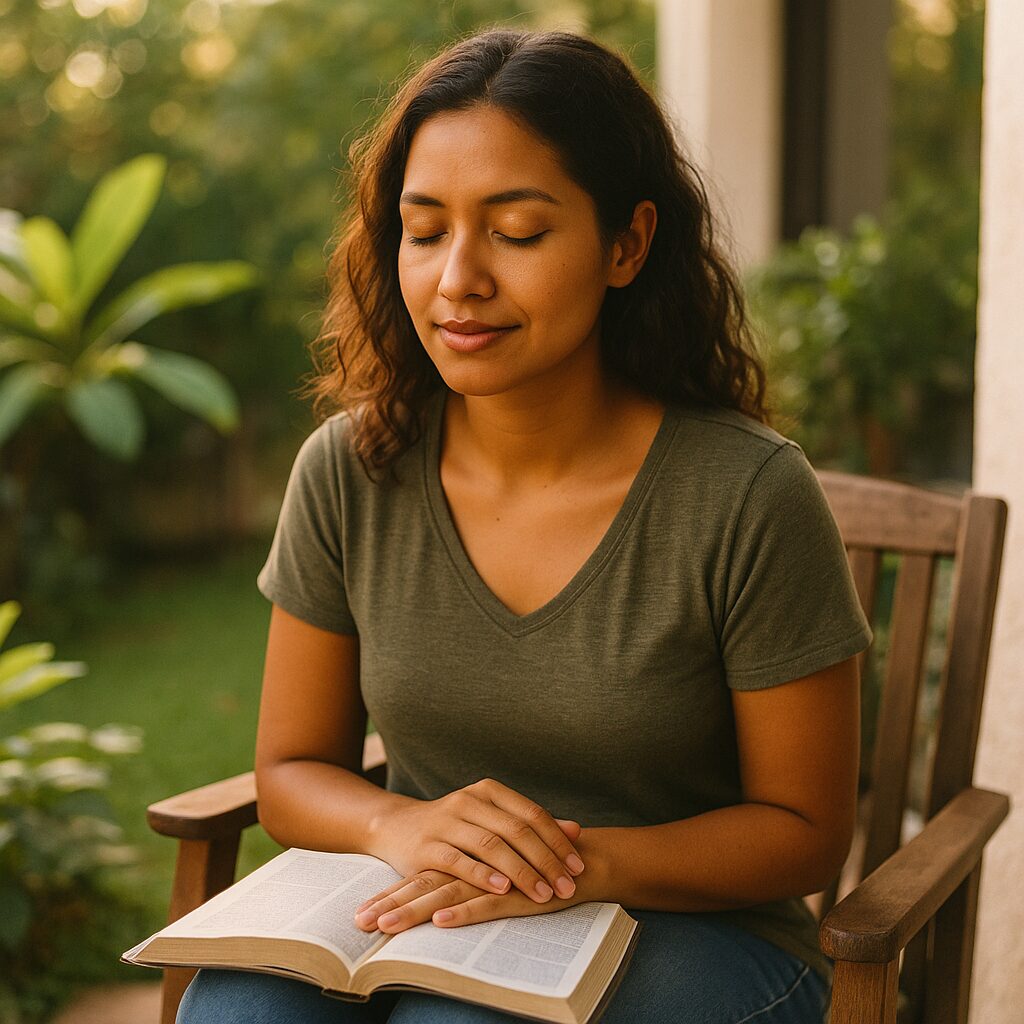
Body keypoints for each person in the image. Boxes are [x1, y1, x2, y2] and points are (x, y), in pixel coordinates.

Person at [176, 27, 871, 1024]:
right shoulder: (351, 468)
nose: (459, 276)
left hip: (707, 934)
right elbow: (289, 773)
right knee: (236, 1015)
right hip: (432, 908)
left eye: (517, 230)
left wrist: (569, 863)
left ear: (625, 244)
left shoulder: (746, 493)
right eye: (425, 229)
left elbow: (802, 829)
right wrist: (399, 825)